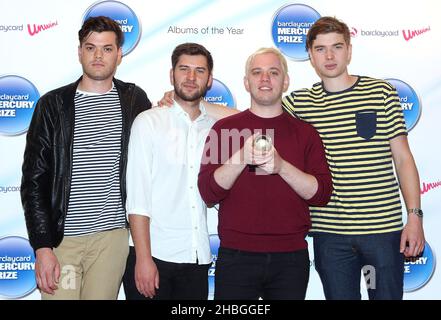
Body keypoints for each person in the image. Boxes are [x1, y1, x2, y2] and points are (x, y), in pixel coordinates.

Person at [282, 16, 425, 300]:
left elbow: (403, 158)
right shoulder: (299, 103)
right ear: (310, 55)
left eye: (337, 46)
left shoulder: (381, 92)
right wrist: (195, 103)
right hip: (329, 235)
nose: (330, 55)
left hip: (383, 232)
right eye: (320, 49)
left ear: (349, 49)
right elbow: (255, 117)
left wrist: (414, 217)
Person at [20, 16, 151, 300]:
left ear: (119, 54)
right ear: (80, 52)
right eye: (91, 48)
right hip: (61, 241)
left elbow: (156, 151)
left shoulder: (134, 100)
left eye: (106, 49)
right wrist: (43, 247)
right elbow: (34, 180)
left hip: (111, 240)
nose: (98, 56)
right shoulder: (52, 105)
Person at [197, 47, 333, 300]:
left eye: (273, 72)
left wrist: (282, 167)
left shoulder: (305, 133)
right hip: (236, 256)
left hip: (290, 258)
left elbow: (321, 194)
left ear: (286, 81)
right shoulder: (224, 129)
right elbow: (207, 192)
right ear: (246, 83)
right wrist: (241, 157)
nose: (265, 79)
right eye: (257, 72)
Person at [123, 43, 216, 300]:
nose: (190, 77)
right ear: (171, 74)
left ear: (209, 80)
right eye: (183, 69)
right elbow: (138, 197)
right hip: (154, 256)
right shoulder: (148, 122)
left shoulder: (217, 129)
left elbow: (256, 119)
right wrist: (143, 259)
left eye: (199, 71)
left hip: (197, 258)